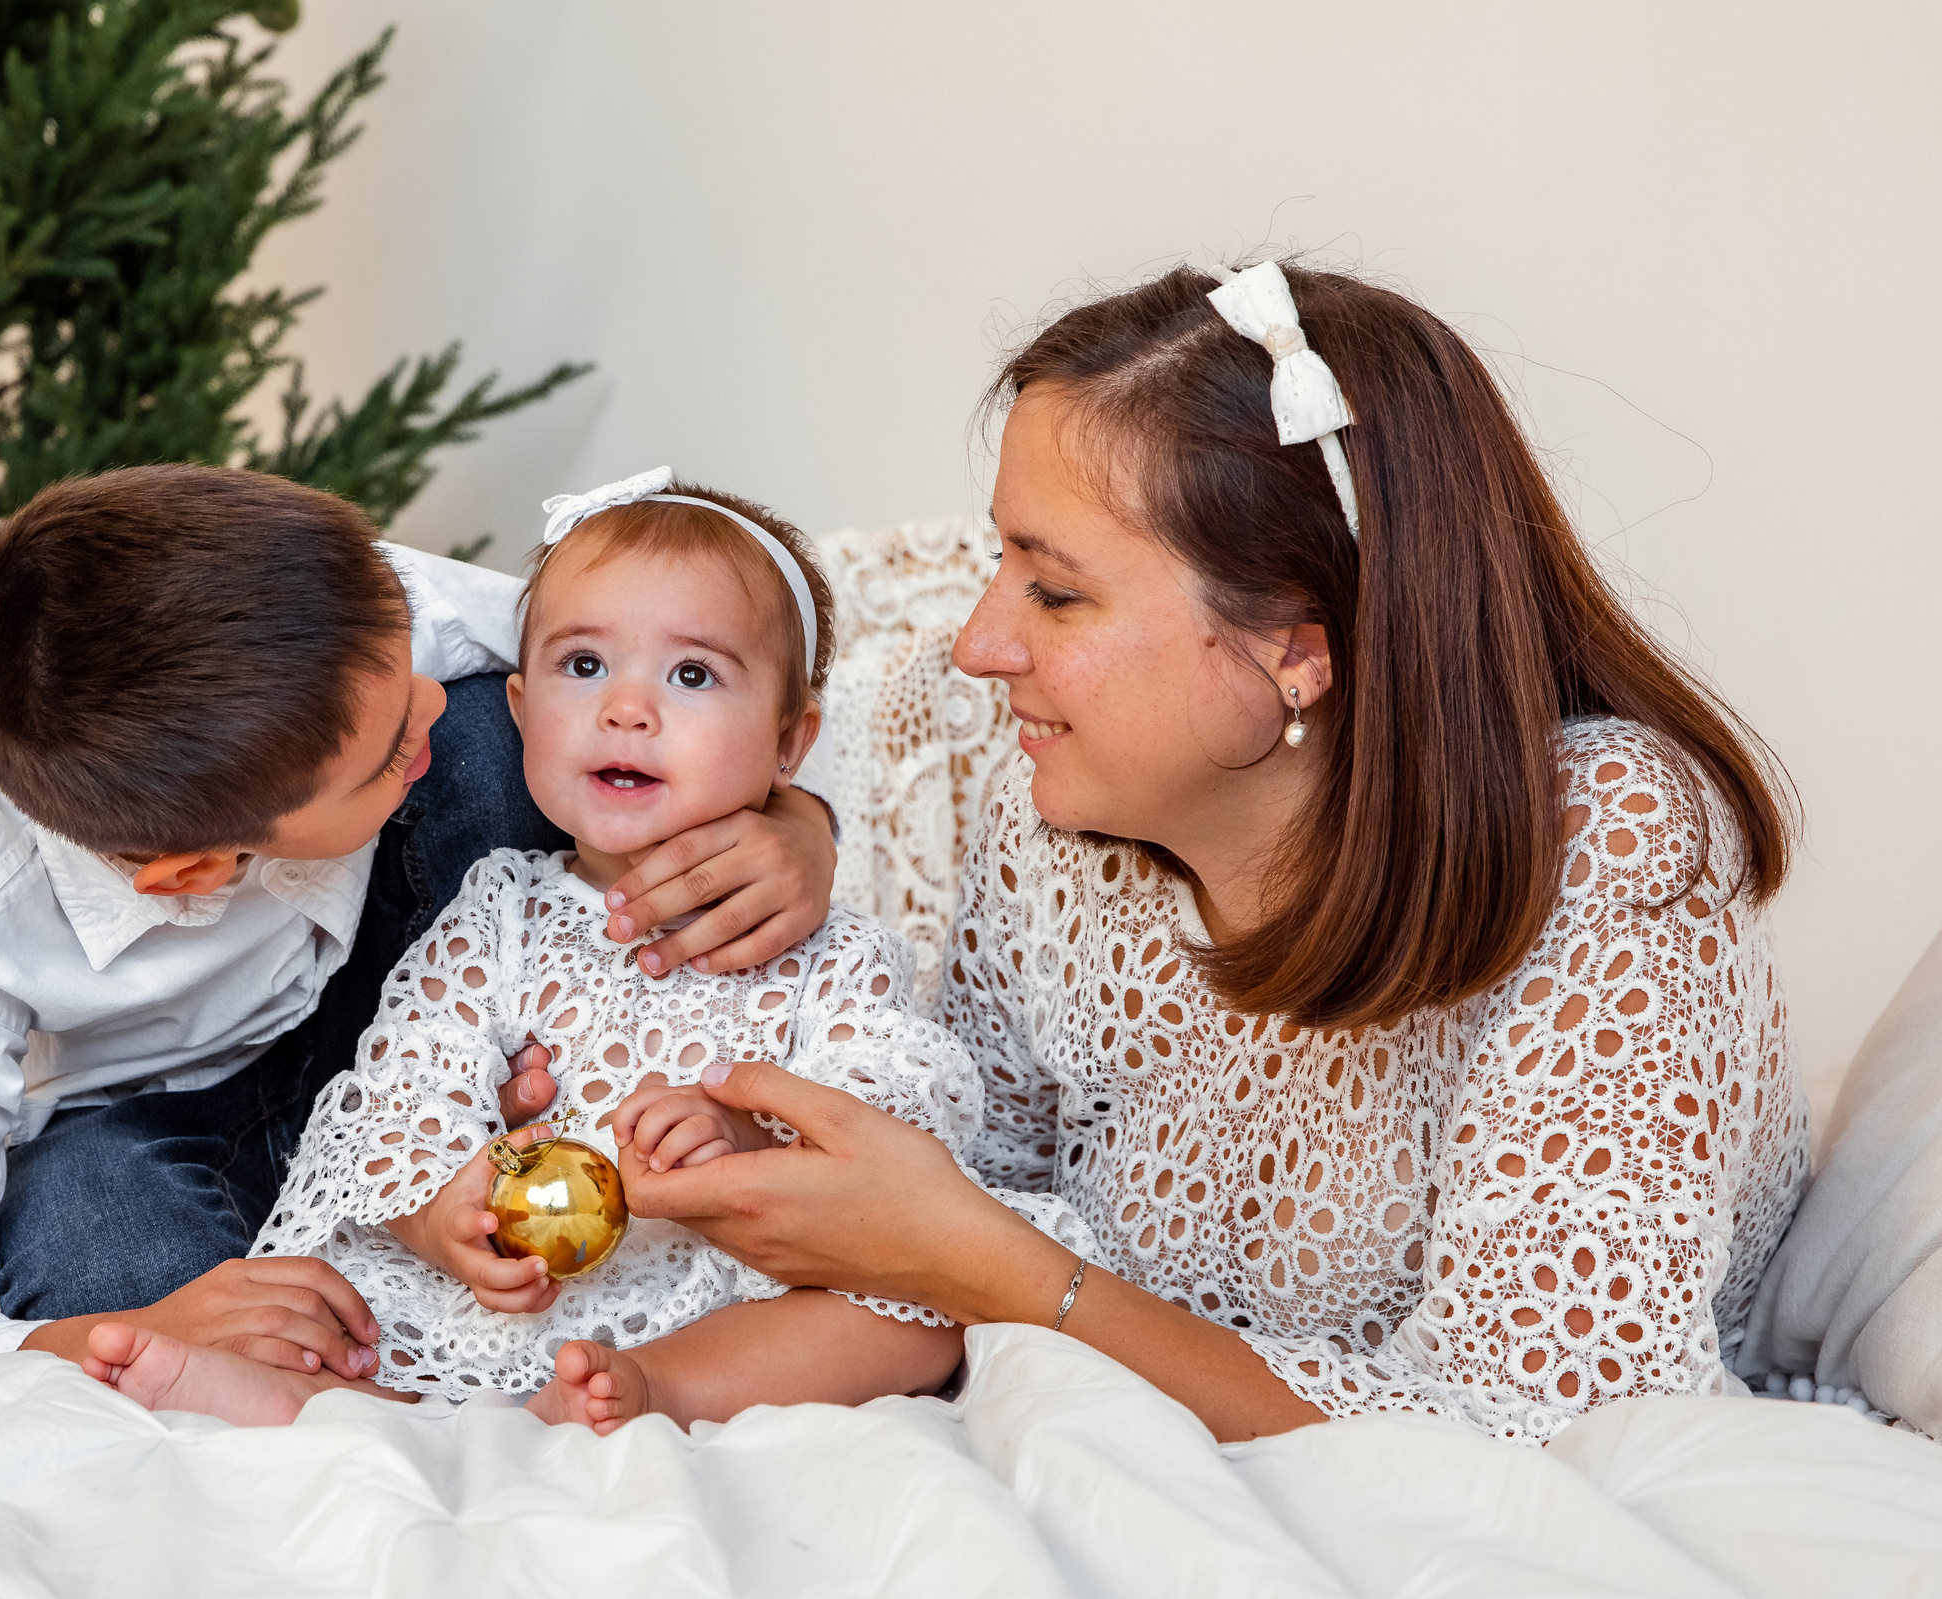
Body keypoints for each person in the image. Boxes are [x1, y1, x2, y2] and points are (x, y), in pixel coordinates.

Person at [618, 259, 1809, 1447]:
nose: (980, 643)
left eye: (1054, 592)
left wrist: (988, 1267)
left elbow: (1549, 1429)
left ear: (1297, 651)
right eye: (999, 566)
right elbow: (967, 1183)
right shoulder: (1068, 813)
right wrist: (794, 856)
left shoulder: (1610, 841)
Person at [0, 465, 841, 1404]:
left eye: (406, 663)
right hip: (166, 1118)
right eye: (385, 752)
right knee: (90, 1226)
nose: (425, 700)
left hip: (428, 1006)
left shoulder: (350, 614)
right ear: (194, 870)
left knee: (493, 733)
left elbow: (702, 665)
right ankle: (323, 1363)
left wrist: (797, 825)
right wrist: (118, 1330)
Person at [80, 470, 990, 1432]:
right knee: (340, 1312)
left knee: (924, 1310)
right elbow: (405, 1090)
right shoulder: (499, 913)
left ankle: (660, 1385)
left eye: (692, 675)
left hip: (733, 1288)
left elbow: (896, 1110)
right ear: (519, 708)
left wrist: (749, 1138)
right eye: (584, 665)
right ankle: (323, 1399)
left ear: (789, 743)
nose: (627, 708)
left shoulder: (827, 945)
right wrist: (446, 1214)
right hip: (515, 1286)